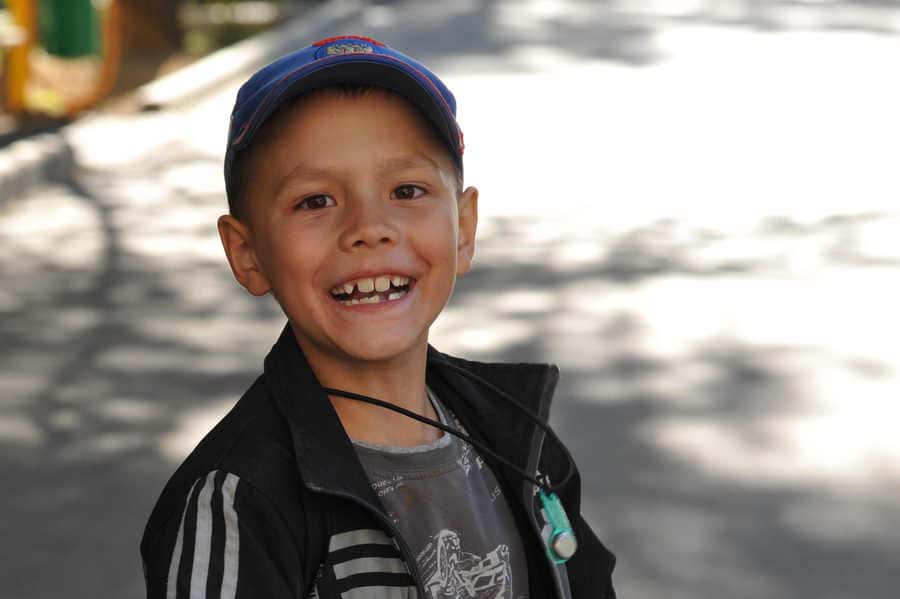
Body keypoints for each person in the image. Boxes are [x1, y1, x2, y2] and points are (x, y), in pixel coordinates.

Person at [140, 35, 616, 599]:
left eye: (406, 190)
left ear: (463, 229)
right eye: (315, 201)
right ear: (247, 254)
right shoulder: (237, 504)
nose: (369, 227)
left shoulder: (517, 439)